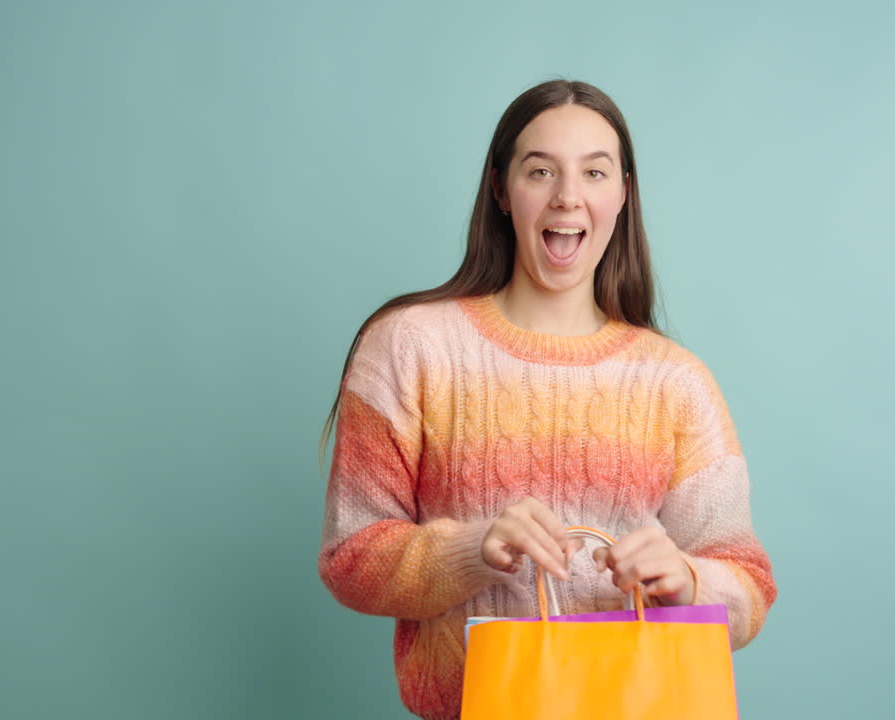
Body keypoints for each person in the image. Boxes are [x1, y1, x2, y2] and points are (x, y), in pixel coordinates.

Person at [317, 79, 776, 720]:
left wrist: (689, 580)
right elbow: (351, 557)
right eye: (540, 171)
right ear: (501, 190)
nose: (567, 195)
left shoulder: (676, 381)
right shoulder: (408, 346)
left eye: (594, 171)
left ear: (623, 194)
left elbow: (748, 586)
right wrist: (471, 549)